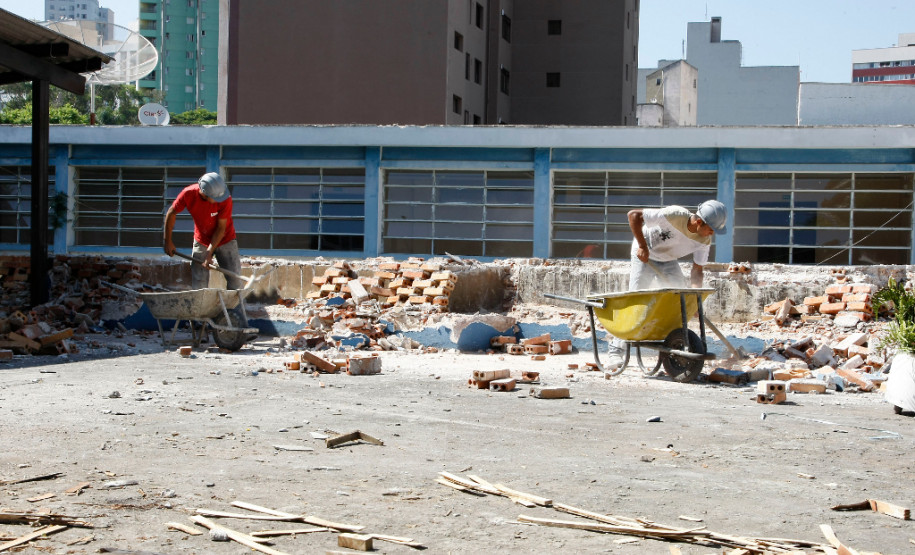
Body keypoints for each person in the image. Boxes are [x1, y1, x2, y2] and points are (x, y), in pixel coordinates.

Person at [605, 200, 727, 370]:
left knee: (681, 300)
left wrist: (695, 299)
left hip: (668, 261)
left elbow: (697, 270)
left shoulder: (704, 241)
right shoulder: (674, 214)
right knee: (635, 302)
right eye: (711, 229)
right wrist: (642, 246)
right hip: (644, 255)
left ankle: (675, 345)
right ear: (699, 221)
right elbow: (633, 215)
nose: (711, 234)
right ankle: (615, 350)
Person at [163, 171, 243, 290]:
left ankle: (235, 308)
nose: (219, 200)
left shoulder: (225, 199)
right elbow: (171, 212)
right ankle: (201, 307)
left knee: (235, 279)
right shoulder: (188, 194)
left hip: (226, 239)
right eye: (216, 198)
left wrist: (209, 253)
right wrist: (167, 241)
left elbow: (221, 229)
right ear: (205, 194)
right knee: (199, 280)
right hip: (202, 239)